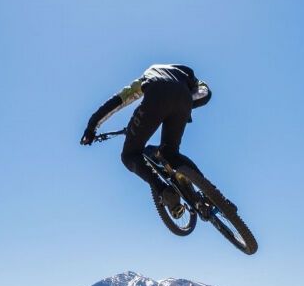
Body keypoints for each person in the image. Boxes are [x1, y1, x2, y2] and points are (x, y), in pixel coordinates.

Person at [81, 64, 212, 216]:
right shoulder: (185, 73)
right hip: (184, 99)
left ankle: (165, 191)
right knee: (170, 154)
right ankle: (212, 195)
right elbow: (205, 93)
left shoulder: (148, 75)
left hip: (157, 94)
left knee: (129, 155)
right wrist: (186, 104)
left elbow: (118, 100)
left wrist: (91, 128)